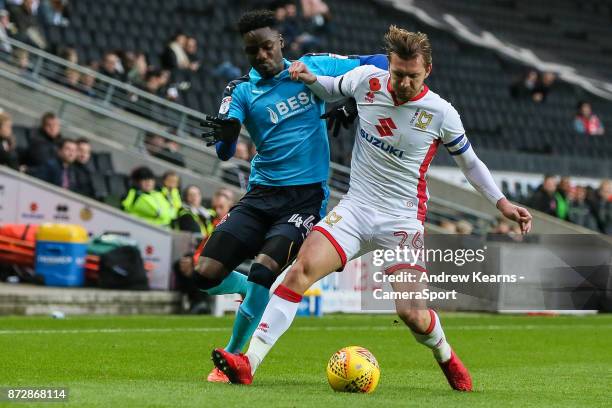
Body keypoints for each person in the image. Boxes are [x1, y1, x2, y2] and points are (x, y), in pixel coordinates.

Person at [212, 25, 533, 391]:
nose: (404, 83)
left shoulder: (441, 113)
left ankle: (446, 355)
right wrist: (312, 77)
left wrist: (502, 203)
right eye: (398, 74)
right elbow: (331, 89)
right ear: (389, 66)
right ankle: (249, 362)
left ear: (428, 70)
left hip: (402, 221)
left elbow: (471, 164)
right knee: (298, 271)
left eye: (412, 76)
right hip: (355, 209)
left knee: (410, 313)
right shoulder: (368, 79)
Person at [195, 9, 388, 383]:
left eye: (267, 47)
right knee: (204, 273)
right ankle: (251, 292)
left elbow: (378, 63)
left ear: (281, 42)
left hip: (304, 199)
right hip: (260, 195)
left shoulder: (309, 67)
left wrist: (351, 99)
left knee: (263, 270)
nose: (262, 56)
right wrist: (229, 133)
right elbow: (222, 150)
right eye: (253, 51)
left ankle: (234, 357)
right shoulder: (240, 91)